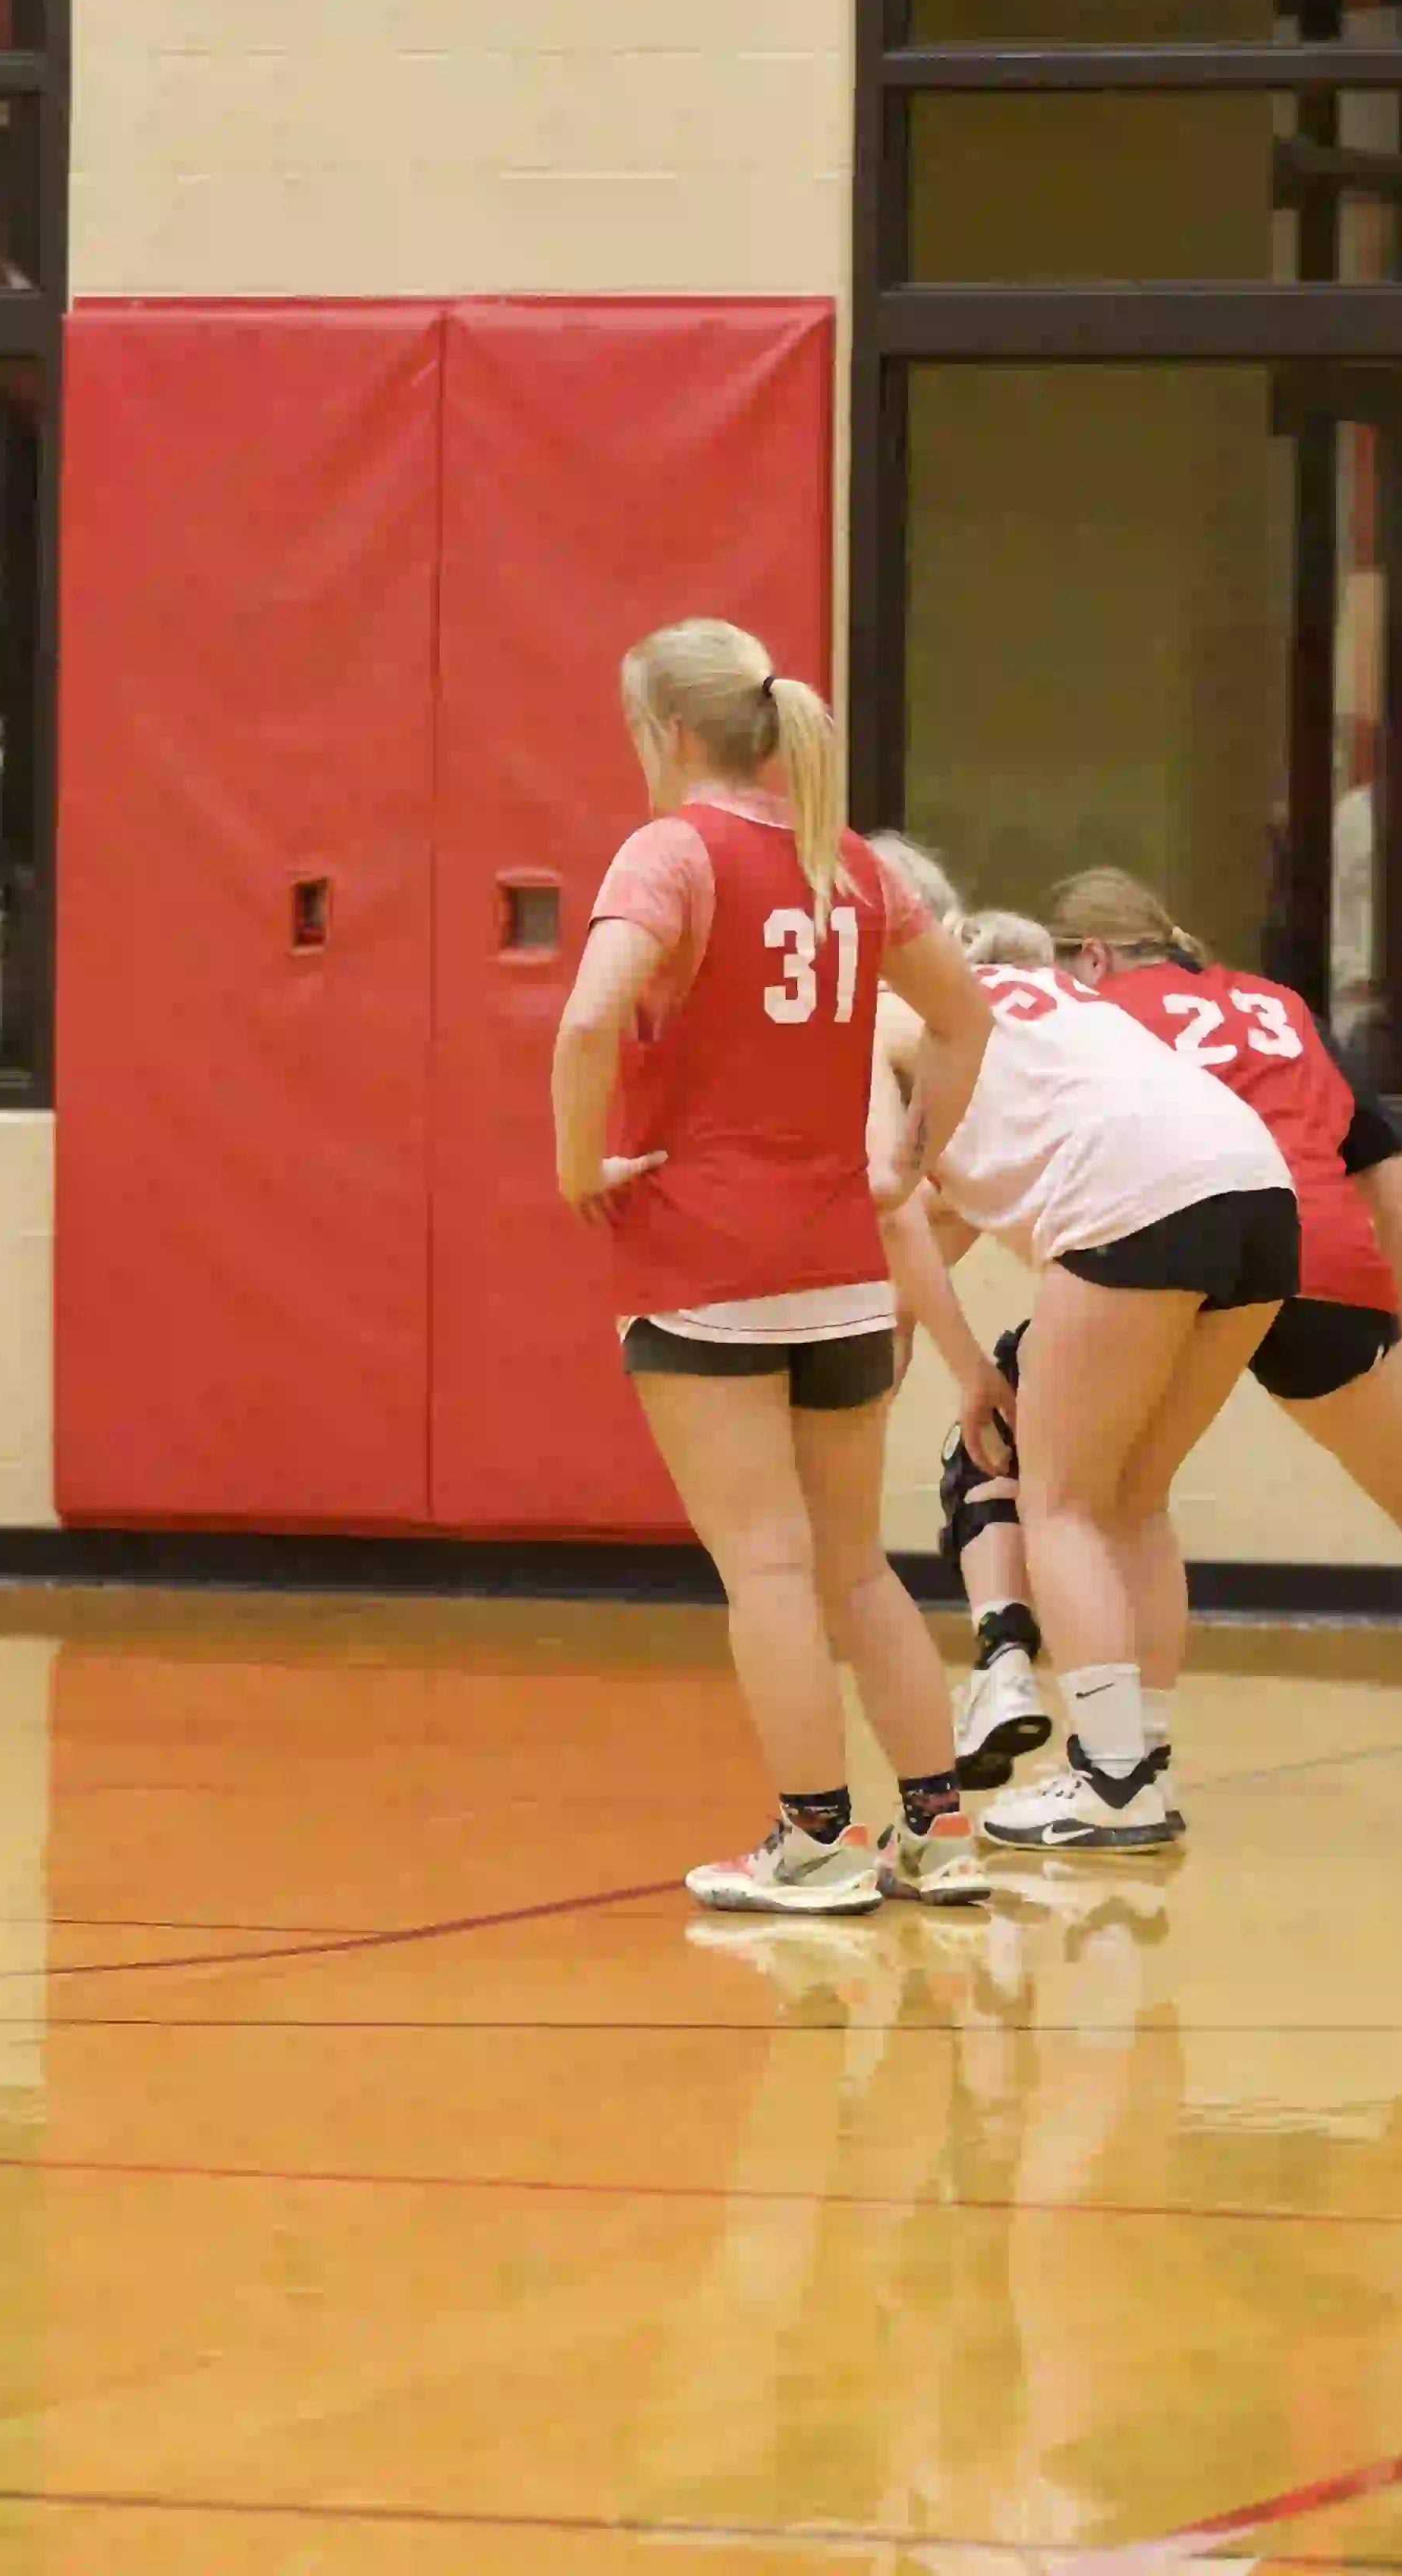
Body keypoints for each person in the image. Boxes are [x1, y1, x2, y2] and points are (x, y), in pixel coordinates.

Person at [928, 868, 1402, 1830]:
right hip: (1323, 1253)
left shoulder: (1089, 1013)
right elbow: (1393, 1186)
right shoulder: (1279, 1007)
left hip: (1184, 1247)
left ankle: (1060, 1709)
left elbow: (1097, 1161)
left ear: (1090, 957)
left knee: (1066, 1485)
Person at [549, 622, 999, 1921]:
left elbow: (587, 1020)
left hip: (706, 1262)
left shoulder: (673, 851)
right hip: (842, 1262)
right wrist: (909, 1162)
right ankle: (940, 1829)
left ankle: (813, 1842)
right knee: (857, 1569)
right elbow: (965, 1020)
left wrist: (579, 1166)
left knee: (769, 1568)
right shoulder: (849, 863)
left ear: (673, 736)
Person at [866, 847, 1296, 1859]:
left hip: (1134, 1196)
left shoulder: (882, 1017)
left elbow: (885, 1208)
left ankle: (1106, 1780)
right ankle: (1137, 1762)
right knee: (1131, 1499)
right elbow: (927, 1227)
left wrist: (971, 1371)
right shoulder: (1034, 992)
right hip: (1259, 1197)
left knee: (1057, 1502)